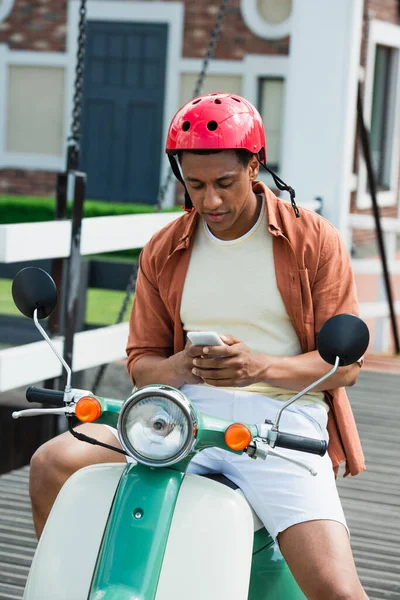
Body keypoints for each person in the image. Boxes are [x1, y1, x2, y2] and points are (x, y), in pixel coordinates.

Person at [30, 93, 368, 600]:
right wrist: (182, 366)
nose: (209, 201)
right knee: (51, 462)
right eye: (195, 185)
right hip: (180, 418)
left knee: (337, 590)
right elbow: (142, 366)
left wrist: (260, 367)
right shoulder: (165, 248)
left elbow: (344, 368)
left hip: (282, 424)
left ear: (255, 166)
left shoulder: (314, 239)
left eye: (225, 184)